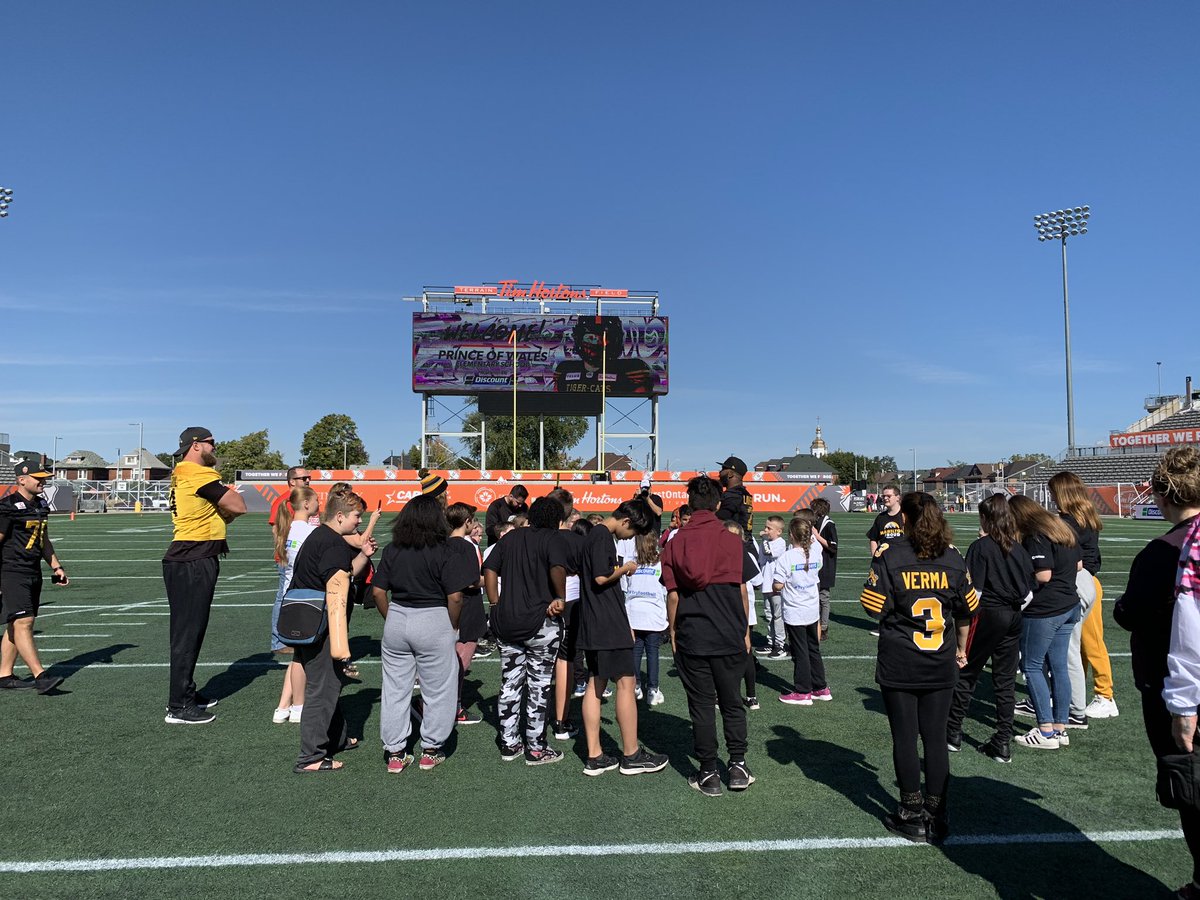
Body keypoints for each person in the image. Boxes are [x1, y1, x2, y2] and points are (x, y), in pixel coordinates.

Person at [860, 492, 977, 843]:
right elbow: (969, 607)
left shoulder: (890, 554)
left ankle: (911, 814)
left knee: (905, 737)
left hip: (900, 660)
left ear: (905, 520)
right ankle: (937, 815)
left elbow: (871, 606)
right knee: (936, 739)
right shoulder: (953, 558)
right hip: (939, 660)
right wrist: (959, 647)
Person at [1114, 447, 1200, 899]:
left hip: (1179, 687)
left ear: (1164, 496)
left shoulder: (1164, 551)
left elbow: (1131, 613)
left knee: (1191, 790)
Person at [663, 476, 758, 796]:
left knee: (701, 707)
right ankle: (738, 765)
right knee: (732, 702)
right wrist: (745, 630)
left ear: (690, 503)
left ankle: (708, 772)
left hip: (694, 634)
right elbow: (742, 589)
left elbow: (673, 596)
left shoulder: (675, 542)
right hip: (728, 633)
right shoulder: (732, 541)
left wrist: (673, 631)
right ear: (718, 504)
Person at [371, 494, 477, 773]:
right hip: (433, 618)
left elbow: (378, 591)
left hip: (399, 618)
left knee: (394, 689)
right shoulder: (444, 550)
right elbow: (455, 597)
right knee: (439, 689)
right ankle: (430, 749)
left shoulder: (394, 548)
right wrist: (452, 626)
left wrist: (391, 617)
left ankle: (395, 752)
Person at [162, 427, 246, 725]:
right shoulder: (198, 474)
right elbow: (238, 506)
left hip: (191, 556)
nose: (215, 448)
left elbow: (222, 510)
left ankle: (185, 691)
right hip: (192, 558)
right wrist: (230, 501)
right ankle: (178, 705)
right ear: (196, 445)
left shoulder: (184, 473)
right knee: (187, 633)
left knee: (190, 631)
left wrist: (225, 509)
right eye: (212, 443)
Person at [576, 499, 667, 776]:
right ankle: (631, 753)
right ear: (626, 522)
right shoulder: (603, 536)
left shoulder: (595, 535)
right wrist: (625, 569)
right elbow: (601, 578)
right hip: (606, 622)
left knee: (596, 683)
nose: (632, 537)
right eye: (634, 532)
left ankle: (595, 755)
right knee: (626, 682)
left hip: (595, 621)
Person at [289, 489, 377, 772]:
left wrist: (363, 555)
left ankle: (336, 738)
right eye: (355, 516)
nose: (358, 522)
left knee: (332, 682)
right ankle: (311, 756)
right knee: (323, 688)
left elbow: (347, 571)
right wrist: (341, 643)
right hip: (321, 625)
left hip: (305, 621)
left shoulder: (321, 538)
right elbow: (336, 590)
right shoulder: (332, 544)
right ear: (339, 516)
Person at [945, 493, 1034, 763]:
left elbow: (976, 593)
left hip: (988, 615)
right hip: (1014, 615)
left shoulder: (981, 548)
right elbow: (1030, 593)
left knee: (967, 671)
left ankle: (953, 732)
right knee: (1005, 681)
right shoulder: (1019, 548)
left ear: (986, 518)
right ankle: (1002, 741)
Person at [484, 496, 571, 766]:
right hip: (540, 622)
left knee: (510, 682)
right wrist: (560, 596)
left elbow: (489, 567)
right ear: (557, 520)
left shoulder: (511, 537)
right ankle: (536, 747)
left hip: (507, 621)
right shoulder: (553, 539)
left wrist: (495, 602)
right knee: (539, 686)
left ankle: (509, 743)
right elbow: (557, 567)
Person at [1008, 494, 1082, 750]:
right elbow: (1080, 564)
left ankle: (1046, 731)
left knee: (1031, 666)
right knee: (1058, 666)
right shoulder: (1062, 529)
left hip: (1046, 609)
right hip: (1069, 604)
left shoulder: (1036, 535)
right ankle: (1060, 727)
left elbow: (1043, 574)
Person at [1049, 470, 1119, 722]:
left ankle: (1105, 696)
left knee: (1091, 642)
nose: (1052, 498)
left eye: (1054, 493)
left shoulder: (1071, 520)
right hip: (1087, 581)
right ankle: (1074, 692)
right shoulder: (1084, 515)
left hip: (1081, 583)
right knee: (1077, 644)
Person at [0, 459, 68, 694]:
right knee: (24, 622)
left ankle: (4, 675)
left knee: (15, 624)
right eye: (38, 478)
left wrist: (56, 567)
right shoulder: (7, 506)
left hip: (32, 571)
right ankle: (41, 676)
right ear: (21, 479)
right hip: (11, 572)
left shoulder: (40, 505)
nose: (43, 482)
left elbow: (44, 540)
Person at [271, 485, 320, 724]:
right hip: (303, 597)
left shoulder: (288, 529)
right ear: (307, 505)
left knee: (298, 655)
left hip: (291, 596)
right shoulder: (307, 531)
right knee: (304, 655)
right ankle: (298, 706)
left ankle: (283, 707)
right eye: (316, 500)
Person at [774, 511, 829, 705]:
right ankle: (820, 687)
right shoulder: (815, 553)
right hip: (811, 608)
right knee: (813, 647)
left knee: (800, 651)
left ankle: (803, 690)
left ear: (791, 535)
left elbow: (778, 584)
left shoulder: (787, 558)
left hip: (795, 610)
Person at [445, 502, 485, 726]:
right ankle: (454, 707)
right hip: (467, 608)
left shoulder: (443, 544)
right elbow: (471, 581)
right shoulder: (467, 546)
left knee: (448, 661)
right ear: (467, 522)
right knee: (461, 662)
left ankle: (437, 703)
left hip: (446, 607)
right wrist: (495, 579)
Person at [268, 466, 312, 659]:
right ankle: (278, 641)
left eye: (308, 477)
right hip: (289, 556)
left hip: (305, 555)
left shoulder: (307, 498)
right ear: (292, 481)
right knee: (283, 597)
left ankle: (300, 636)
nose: (308, 480)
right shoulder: (283, 501)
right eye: (303, 478)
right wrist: (282, 553)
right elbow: (276, 530)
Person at [553, 315, 657, 395]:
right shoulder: (564, 369)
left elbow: (643, 388)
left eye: (606, 338)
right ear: (578, 338)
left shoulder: (633, 369)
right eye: (591, 337)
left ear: (616, 340)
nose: (599, 343)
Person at [624, 532, 668, 706]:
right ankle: (653, 689)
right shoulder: (661, 563)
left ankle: (636, 686)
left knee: (636, 651)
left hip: (634, 612)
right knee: (652, 652)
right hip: (653, 613)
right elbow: (665, 589)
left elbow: (626, 587)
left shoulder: (631, 563)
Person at [725, 521, 762, 709]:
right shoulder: (742, 555)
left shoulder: (745, 556)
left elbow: (757, 581)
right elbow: (758, 581)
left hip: (744, 613)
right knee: (729, 655)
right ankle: (730, 694)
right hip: (729, 612)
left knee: (746, 654)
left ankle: (751, 695)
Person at [755, 515, 787, 659]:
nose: (766, 530)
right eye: (765, 527)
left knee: (777, 615)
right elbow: (761, 560)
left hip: (776, 584)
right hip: (766, 583)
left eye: (769, 528)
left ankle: (780, 644)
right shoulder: (765, 542)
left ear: (778, 531)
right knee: (769, 615)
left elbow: (769, 552)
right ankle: (771, 641)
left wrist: (763, 538)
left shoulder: (780, 543)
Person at [810, 498, 839, 641]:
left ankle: (824, 627)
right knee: (814, 597)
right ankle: (814, 625)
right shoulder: (815, 523)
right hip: (815, 565)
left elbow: (833, 546)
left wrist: (816, 536)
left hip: (826, 566)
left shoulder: (829, 524)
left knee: (824, 598)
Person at [715, 456, 754, 540]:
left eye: (723, 469)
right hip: (746, 542)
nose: (720, 472)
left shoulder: (731, 495)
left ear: (730, 474)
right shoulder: (745, 494)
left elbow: (718, 521)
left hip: (736, 544)